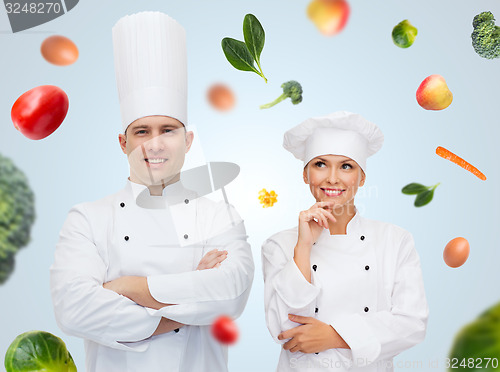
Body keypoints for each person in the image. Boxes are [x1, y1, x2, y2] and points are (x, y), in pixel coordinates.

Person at [50, 11, 254, 372]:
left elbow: (231, 295)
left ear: (188, 140)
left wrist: (126, 286)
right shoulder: (89, 218)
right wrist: (188, 301)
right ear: (122, 142)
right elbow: (73, 309)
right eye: (142, 131)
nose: (154, 145)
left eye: (168, 130)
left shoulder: (220, 216)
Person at [262, 111, 428, 372]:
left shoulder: (395, 241)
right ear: (305, 175)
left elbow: (412, 323)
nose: (332, 178)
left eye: (346, 166)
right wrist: (303, 247)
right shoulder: (280, 245)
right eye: (320, 164)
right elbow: (285, 330)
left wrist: (335, 336)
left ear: (362, 178)